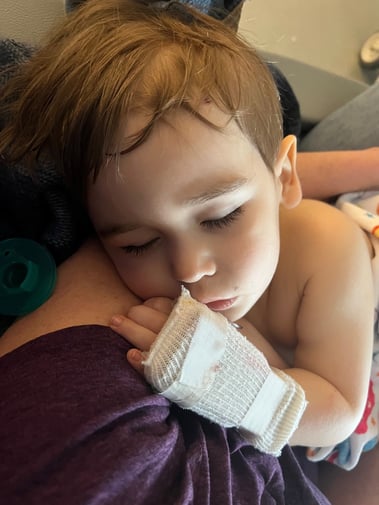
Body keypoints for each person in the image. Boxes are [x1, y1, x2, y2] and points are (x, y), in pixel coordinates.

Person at [0, 0, 377, 503]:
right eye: (139, 243)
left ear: (286, 178)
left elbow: (339, 412)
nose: (189, 268)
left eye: (221, 217)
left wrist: (233, 384)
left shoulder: (329, 251)